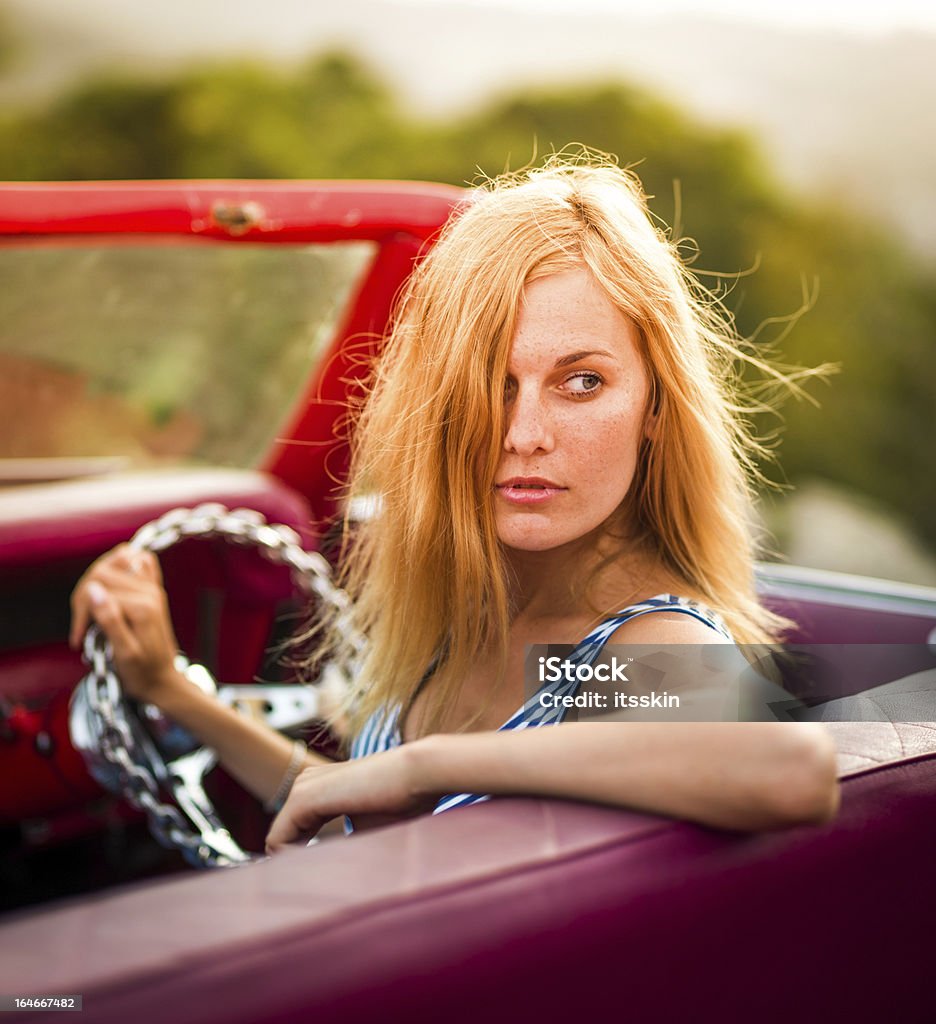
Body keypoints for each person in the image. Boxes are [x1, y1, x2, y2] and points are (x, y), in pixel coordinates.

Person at [69, 156, 840, 854]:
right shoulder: (477, 605)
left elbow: (787, 768)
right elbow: (352, 811)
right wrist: (169, 688)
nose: (525, 434)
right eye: (489, 384)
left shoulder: (636, 646)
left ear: (656, 409)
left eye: (582, 382)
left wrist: (422, 766)